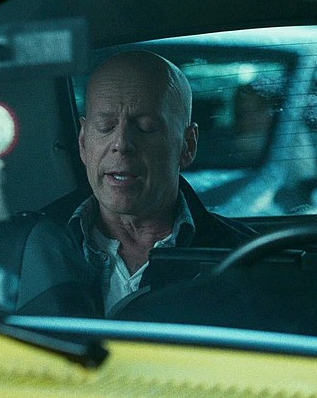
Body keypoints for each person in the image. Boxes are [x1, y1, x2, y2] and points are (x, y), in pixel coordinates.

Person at [71, 50, 256, 317]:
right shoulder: (36, 246)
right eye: (105, 126)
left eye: (146, 128)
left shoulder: (242, 259)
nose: (121, 144)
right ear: (83, 142)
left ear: (187, 145)